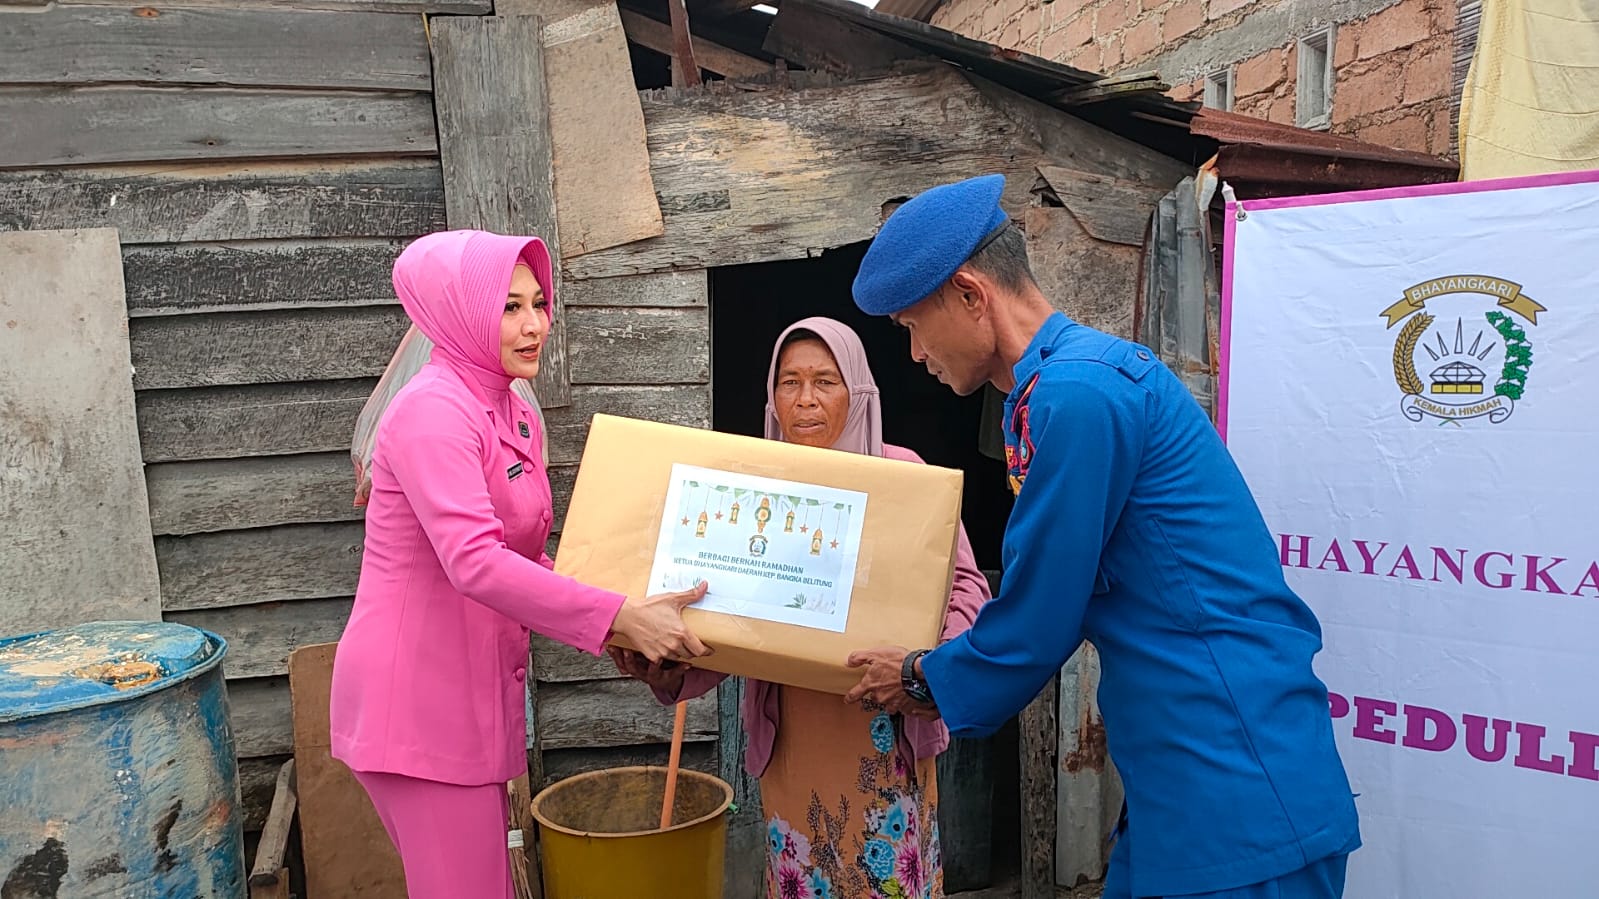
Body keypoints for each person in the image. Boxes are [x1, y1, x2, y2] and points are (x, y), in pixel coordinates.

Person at [841, 175, 1361, 899]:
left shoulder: (1080, 395)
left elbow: (1039, 611)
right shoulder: (1054, 388)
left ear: (969, 294)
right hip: (1180, 778)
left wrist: (919, 678)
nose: (914, 353)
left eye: (909, 326)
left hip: (1234, 781)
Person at [328, 229, 711, 899]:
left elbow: (528, 557)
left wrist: (627, 623)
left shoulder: (511, 410)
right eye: (509, 307)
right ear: (460, 311)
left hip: (465, 698)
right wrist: (619, 616)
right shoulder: (430, 413)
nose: (534, 324)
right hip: (417, 705)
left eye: (538, 302)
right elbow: (475, 562)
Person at [612, 316, 991, 899]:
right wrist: (668, 664)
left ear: (858, 391)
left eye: (825, 381)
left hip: (883, 725)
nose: (805, 400)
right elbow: (733, 616)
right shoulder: (753, 488)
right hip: (792, 734)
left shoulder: (903, 475)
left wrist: (928, 668)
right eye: (789, 382)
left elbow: (966, 586)